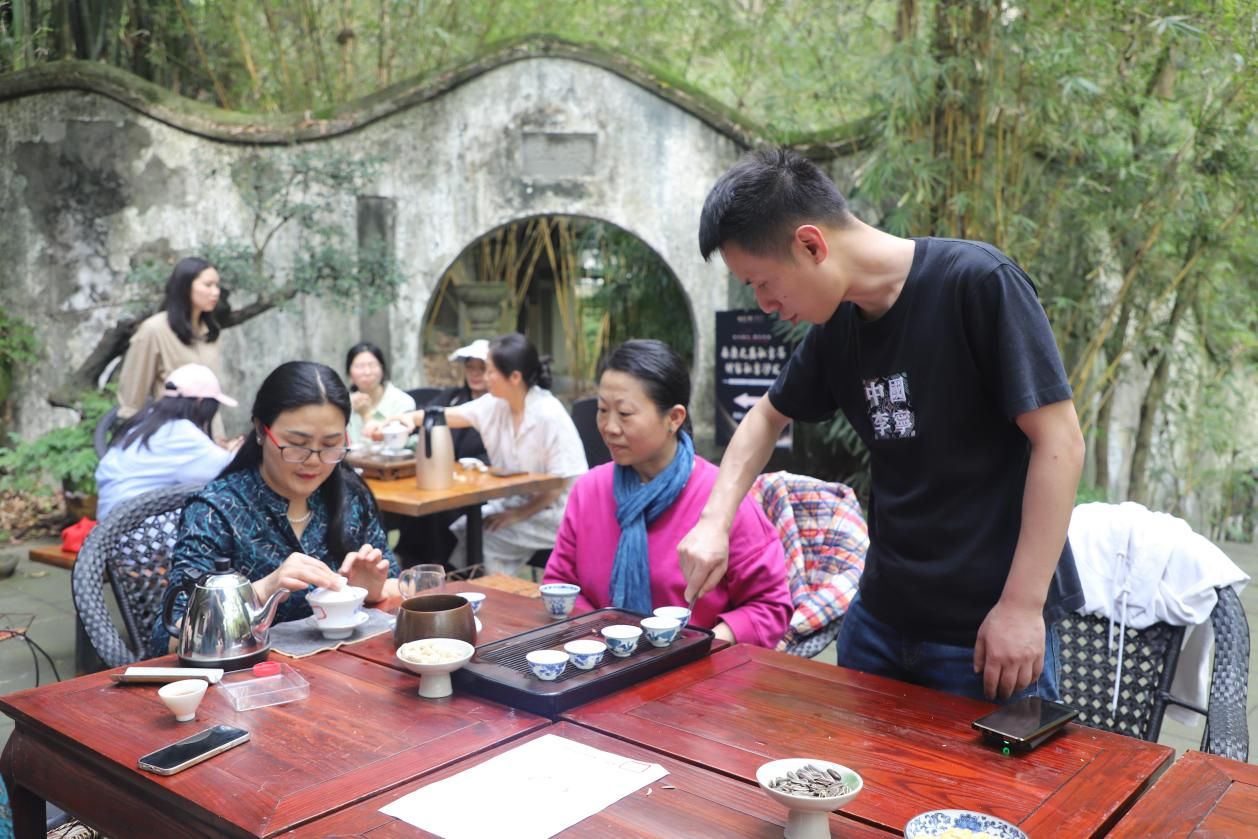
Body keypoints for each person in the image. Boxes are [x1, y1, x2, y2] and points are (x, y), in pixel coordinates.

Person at [679, 149, 1085, 702]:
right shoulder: (838, 325)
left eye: (763, 282)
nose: (765, 304)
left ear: (811, 245)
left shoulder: (977, 283)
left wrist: (1021, 606)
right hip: (879, 625)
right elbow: (765, 417)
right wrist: (714, 521)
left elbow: (1060, 443)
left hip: (986, 633)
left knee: (1001, 765)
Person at [544, 340, 792, 647]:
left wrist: (700, 648)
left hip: (700, 665)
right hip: (601, 659)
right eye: (602, 410)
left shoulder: (724, 501)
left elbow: (769, 607)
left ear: (674, 418)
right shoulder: (589, 490)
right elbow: (560, 584)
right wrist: (602, 638)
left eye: (625, 413)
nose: (609, 427)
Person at [153, 361, 401, 656]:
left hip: (346, 673)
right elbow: (168, 638)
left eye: (330, 445)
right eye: (297, 444)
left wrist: (372, 590)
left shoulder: (350, 497)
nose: (314, 460)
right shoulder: (216, 510)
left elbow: (400, 586)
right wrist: (261, 591)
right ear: (261, 430)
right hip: (252, 679)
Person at [373, 332, 587, 576]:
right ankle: (462, 587)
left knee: (483, 539)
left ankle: (490, 592)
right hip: (516, 502)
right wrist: (405, 420)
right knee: (458, 528)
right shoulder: (495, 405)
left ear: (514, 377)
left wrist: (517, 515)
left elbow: (559, 486)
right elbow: (447, 415)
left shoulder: (549, 414)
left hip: (556, 512)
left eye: (490, 371)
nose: (485, 377)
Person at [390, 339, 490, 568]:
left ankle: (441, 567)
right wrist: (401, 426)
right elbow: (425, 416)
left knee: (441, 512)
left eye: (482, 368)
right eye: (470, 368)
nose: (475, 374)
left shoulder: (497, 407)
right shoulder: (452, 398)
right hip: (444, 480)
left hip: (478, 487)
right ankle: (410, 563)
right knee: (420, 503)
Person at [95, 364, 237, 521]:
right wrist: (235, 449)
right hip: (143, 528)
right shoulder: (182, 434)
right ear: (200, 402)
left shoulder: (143, 422)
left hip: (110, 525)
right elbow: (230, 470)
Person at [116, 256, 230, 441]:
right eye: (208, 285)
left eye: (217, 285)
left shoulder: (210, 332)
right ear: (185, 286)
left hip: (211, 437)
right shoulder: (154, 330)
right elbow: (132, 398)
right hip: (171, 437)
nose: (215, 292)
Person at [345, 341, 416, 446]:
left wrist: (368, 413)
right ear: (349, 373)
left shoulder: (402, 401)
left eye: (372, 365)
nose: (367, 372)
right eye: (360, 366)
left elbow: (396, 442)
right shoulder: (344, 403)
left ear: (382, 370)